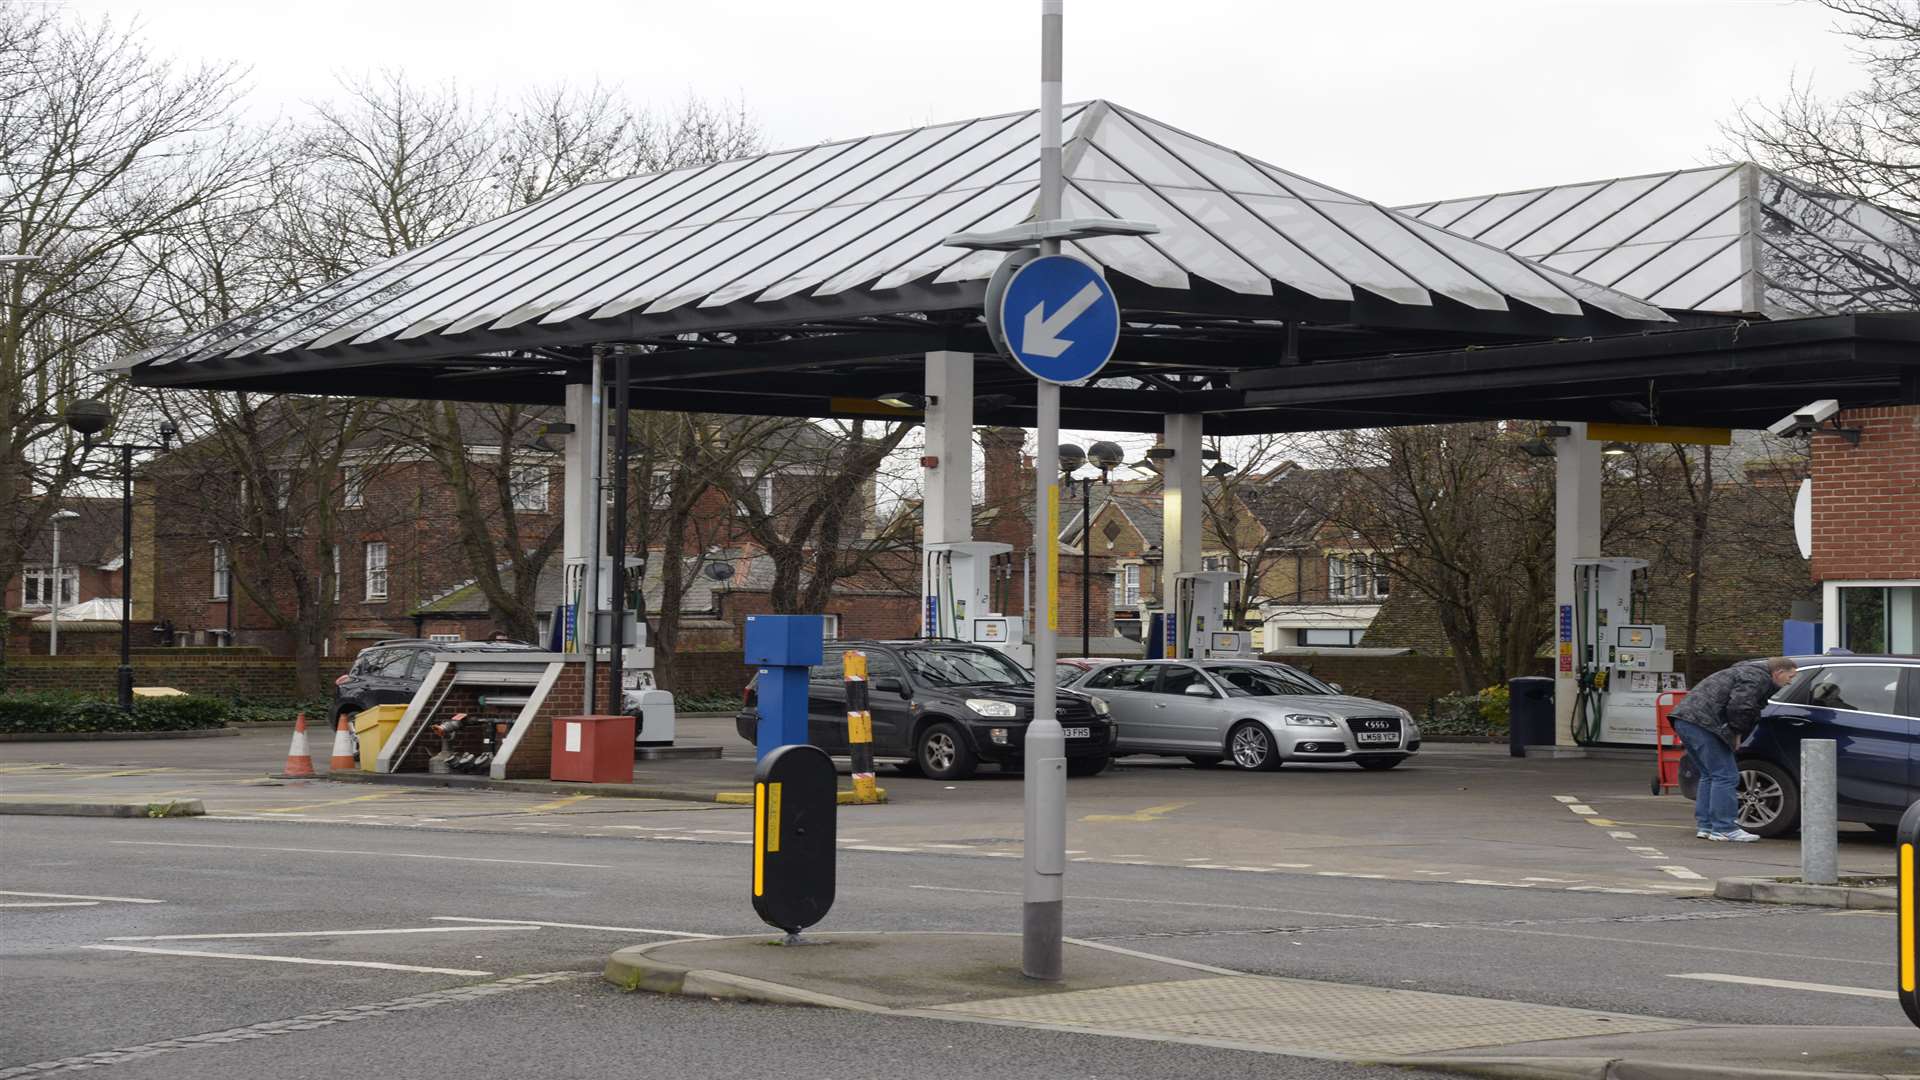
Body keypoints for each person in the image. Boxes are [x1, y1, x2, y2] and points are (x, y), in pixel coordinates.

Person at [1668, 656, 1798, 842]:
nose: (1790, 681)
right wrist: (1736, 733)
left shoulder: (1744, 672)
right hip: (1703, 723)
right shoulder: (1757, 678)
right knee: (1726, 775)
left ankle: (1706, 826)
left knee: (1709, 774)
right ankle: (1724, 827)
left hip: (1684, 719)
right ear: (1778, 672)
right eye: (1790, 676)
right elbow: (1741, 706)